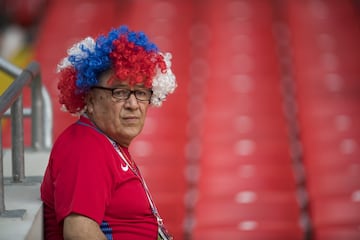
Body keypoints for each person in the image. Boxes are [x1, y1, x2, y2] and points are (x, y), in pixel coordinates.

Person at [40, 25, 177, 240]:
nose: (133, 104)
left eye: (141, 92)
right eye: (120, 92)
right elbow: (79, 233)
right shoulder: (86, 149)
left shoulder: (103, 143)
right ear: (90, 100)